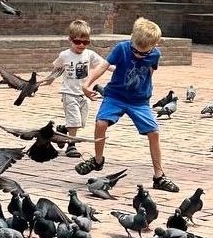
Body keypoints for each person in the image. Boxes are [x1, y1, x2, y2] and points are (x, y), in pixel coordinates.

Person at [74, 16, 179, 193]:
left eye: (144, 53)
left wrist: (145, 89)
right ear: (132, 39)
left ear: (154, 45)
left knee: (154, 133)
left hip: (139, 101)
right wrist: (86, 84)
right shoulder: (121, 48)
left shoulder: (155, 54)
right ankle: (98, 160)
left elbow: (150, 72)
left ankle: (159, 176)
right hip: (115, 96)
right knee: (101, 123)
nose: (139, 55)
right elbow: (103, 66)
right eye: (136, 51)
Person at [42, 19, 107, 157]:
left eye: (86, 42)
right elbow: (57, 69)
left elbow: (105, 65)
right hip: (69, 93)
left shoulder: (90, 54)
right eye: (78, 42)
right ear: (70, 40)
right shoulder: (65, 55)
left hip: (84, 94)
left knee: (80, 122)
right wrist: (49, 79)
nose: (81, 45)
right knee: (75, 121)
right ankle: (71, 146)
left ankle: (62, 129)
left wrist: (118, 68)